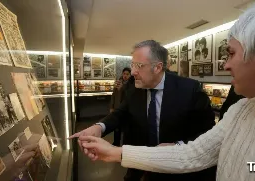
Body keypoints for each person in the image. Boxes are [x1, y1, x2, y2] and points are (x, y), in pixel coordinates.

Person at [75, 1, 255, 181]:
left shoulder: (191, 90)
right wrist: (114, 151)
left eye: (231, 53)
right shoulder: (241, 109)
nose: (225, 65)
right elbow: (194, 153)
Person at [70, 40, 216, 181]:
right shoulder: (134, 87)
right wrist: (99, 127)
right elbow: (121, 112)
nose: (133, 72)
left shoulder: (190, 90)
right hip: (138, 165)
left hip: (176, 170)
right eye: (132, 65)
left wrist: (178, 145)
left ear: (158, 67)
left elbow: (208, 132)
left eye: (139, 65)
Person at [110, 67, 131, 146]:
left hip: (125, 110)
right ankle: (116, 142)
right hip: (117, 108)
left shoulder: (131, 85)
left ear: (130, 75)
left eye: (127, 74)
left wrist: (123, 88)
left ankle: (125, 144)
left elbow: (128, 96)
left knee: (124, 128)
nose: (125, 76)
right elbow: (113, 95)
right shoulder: (118, 82)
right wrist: (111, 107)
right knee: (116, 127)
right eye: (124, 74)